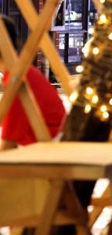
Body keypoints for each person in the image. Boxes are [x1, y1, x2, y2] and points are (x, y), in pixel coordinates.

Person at [0, 15, 66, 149]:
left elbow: (9, 143)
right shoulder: (24, 72)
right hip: (51, 145)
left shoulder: (18, 80)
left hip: (48, 152)